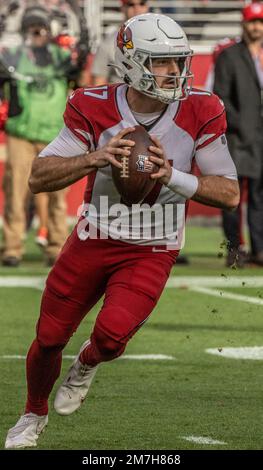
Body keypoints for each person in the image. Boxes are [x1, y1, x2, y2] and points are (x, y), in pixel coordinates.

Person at [5, 13, 239, 449]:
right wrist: (93, 158)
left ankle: (89, 362)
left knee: (111, 338)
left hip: (153, 245)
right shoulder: (92, 104)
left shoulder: (201, 108)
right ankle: (32, 414)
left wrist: (174, 176)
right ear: (131, 63)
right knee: (49, 336)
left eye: (178, 61)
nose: (175, 72)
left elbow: (228, 193)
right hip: (94, 238)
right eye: (162, 62)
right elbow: (39, 176)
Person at [0, 5, 79, 266]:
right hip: (21, 132)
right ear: (24, 31)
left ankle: (57, 248)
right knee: (15, 191)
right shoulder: (14, 56)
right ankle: (12, 248)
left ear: (49, 31)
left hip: (55, 134)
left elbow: (78, 73)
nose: (36, 33)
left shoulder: (61, 56)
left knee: (58, 194)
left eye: (41, 28)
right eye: (31, 28)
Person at [213, 2, 263, 267]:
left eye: (260, 22)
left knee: (259, 197)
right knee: (231, 197)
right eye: (252, 22)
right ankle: (234, 250)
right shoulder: (229, 56)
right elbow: (221, 97)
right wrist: (241, 124)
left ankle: (259, 249)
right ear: (243, 24)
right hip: (235, 137)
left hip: (261, 139)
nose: (256, 27)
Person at [92, 0, 149, 86]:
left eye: (142, 3)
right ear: (123, 8)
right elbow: (98, 84)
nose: (137, 8)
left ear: (147, 6)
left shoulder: (162, 39)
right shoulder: (109, 42)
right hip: (121, 96)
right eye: (131, 4)